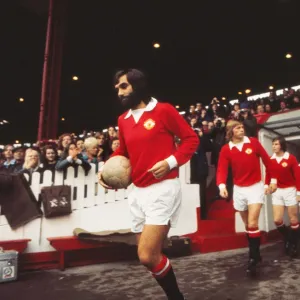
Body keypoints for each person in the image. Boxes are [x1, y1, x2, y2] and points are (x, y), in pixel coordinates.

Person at [98, 69, 199, 299]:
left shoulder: (164, 110)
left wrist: (171, 161)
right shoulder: (122, 120)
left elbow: (191, 139)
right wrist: (105, 169)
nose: (120, 93)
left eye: (124, 87)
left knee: (146, 255)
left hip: (163, 188)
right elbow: (122, 151)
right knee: (148, 257)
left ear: (138, 86)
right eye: (117, 89)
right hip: (136, 192)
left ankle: (176, 297)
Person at [216, 120, 277, 276]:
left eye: (242, 127)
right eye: (238, 128)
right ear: (230, 132)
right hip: (239, 190)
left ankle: (253, 258)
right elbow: (222, 169)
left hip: (255, 187)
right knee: (248, 226)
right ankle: (256, 254)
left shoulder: (254, 143)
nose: (242, 129)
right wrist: (222, 186)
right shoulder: (226, 149)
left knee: (252, 223)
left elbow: (268, 162)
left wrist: (272, 180)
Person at [265, 137, 300, 257]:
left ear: (281, 146)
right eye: (273, 144)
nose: (273, 146)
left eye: (276, 144)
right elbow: (268, 174)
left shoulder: (290, 158)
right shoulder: (271, 159)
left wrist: (299, 193)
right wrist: (266, 186)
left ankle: (295, 245)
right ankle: (288, 237)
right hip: (277, 191)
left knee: (293, 219)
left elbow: (298, 176)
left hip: (290, 190)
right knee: (277, 220)